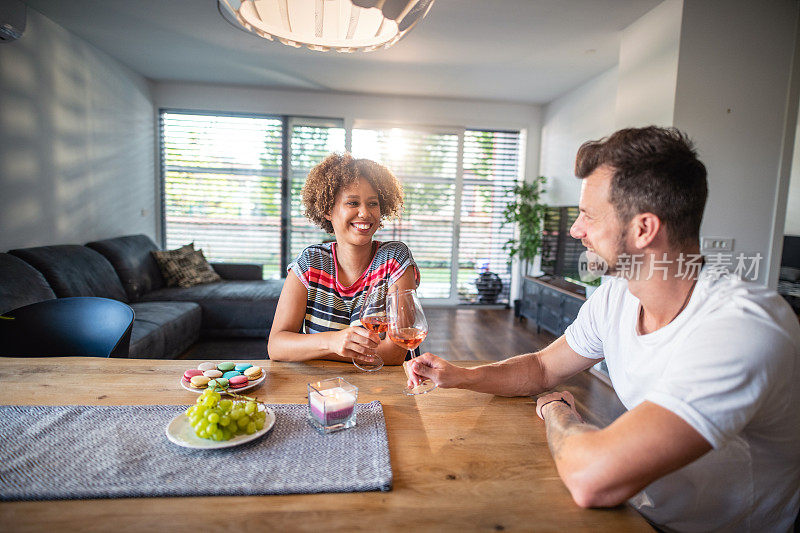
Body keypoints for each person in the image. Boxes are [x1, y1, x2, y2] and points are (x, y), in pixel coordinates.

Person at [406, 127, 800, 532]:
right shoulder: (617, 296)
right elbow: (543, 368)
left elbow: (592, 478)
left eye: (589, 216)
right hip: (637, 512)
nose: (576, 230)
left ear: (644, 229)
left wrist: (558, 412)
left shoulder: (742, 328)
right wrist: (462, 376)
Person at [268, 153, 418, 366]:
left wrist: (313, 348)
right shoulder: (310, 263)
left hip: (383, 390)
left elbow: (395, 352)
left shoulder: (394, 259)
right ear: (328, 210)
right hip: (322, 389)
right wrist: (332, 342)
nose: (365, 213)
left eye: (373, 203)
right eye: (353, 202)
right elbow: (276, 346)